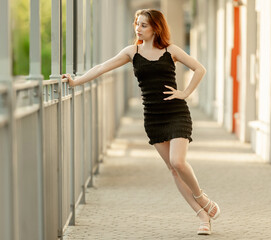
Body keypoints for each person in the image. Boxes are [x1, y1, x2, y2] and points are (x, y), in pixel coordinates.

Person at [62, 8, 220, 235]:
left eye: (143, 25)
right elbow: (101, 67)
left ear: (156, 27)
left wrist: (185, 93)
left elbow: (199, 69)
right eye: (137, 23)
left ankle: (202, 198)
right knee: (173, 171)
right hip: (153, 117)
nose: (138, 28)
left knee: (178, 162)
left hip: (176, 112)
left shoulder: (171, 50)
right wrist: (76, 82)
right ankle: (202, 215)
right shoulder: (131, 52)